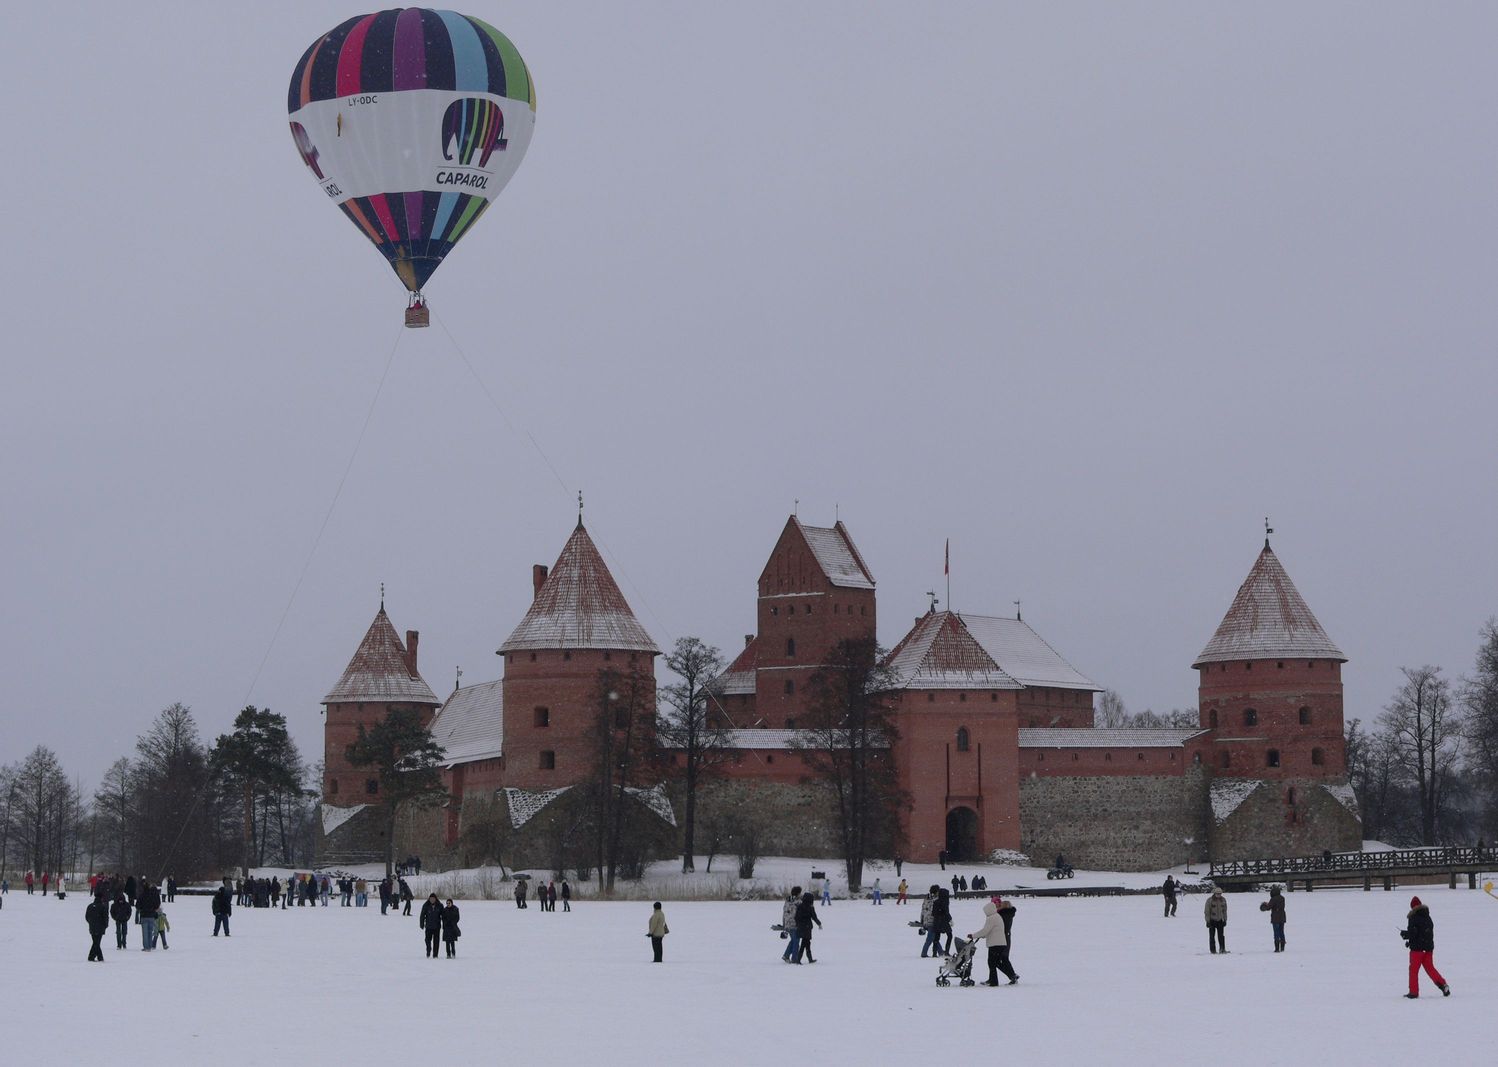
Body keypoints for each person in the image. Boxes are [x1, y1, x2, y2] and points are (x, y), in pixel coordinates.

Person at [1400, 897, 1450, 998]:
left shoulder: (1413, 917)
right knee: (1430, 968)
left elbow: (1413, 933)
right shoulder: (1428, 917)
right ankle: (1443, 985)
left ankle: (1413, 992)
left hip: (1417, 951)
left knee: (1413, 970)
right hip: (1428, 949)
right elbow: (1424, 934)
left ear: (1412, 907)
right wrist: (1411, 942)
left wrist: (1405, 935)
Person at [968, 900, 1017, 986]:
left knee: (992, 963)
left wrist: (973, 935)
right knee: (996, 963)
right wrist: (984, 935)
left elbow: (985, 930)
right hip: (1001, 943)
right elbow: (992, 930)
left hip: (995, 944)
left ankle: (994, 981)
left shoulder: (992, 918)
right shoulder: (997, 916)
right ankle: (1009, 976)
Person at [794, 892, 822, 963]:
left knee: (807, 943)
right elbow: (814, 917)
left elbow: (796, 917)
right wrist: (819, 924)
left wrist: (798, 924)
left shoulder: (799, 906)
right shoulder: (810, 907)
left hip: (801, 927)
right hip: (807, 927)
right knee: (804, 943)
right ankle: (799, 960)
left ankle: (809, 959)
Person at [1259, 885, 1287, 951]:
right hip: (1282, 917)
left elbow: (1268, 907)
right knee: (1281, 932)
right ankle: (1282, 947)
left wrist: (1265, 905)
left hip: (1275, 918)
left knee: (1276, 933)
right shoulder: (1282, 898)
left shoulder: (1273, 899)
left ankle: (1277, 948)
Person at [137, 881, 161, 950]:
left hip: (144, 915)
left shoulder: (141, 895)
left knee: (145, 933)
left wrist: (142, 908)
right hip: (151, 915)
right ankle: (150, 946)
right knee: (150, 932)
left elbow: (137, 905)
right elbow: (156, 904)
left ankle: (146, 947)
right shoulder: (152, 895)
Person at [781, 886, 802, 963]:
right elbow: (796, 914)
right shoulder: (797, 902)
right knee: (796, 941)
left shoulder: (787, 901)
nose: (801, 894)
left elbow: (784, 914)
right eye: (800, 893)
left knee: (793, 940)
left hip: (787, 924)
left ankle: (786, 956)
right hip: (794, 924)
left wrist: (784, 924)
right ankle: (794, 958)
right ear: (797, 893)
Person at [86, 893, 109, 962]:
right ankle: (93, 957)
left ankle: (98, 956)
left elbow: (87, 917)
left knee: (96, 942)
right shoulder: (103, 906)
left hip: (92, 927)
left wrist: (90, 922)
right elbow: (105, 917)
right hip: (100, 927)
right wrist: (105, 925)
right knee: (96, 943)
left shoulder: (90, 906)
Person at [419, 893, 443, 958]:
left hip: (437, 927)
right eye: (431, 899)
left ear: (435, 899)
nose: (432, 900)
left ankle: (435, 954)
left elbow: (443, 916)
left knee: (436, 941)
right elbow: (422, 915)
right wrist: (421, 924)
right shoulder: (426, 905)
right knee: (427, 940)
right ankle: (428, 950)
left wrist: (445, 924)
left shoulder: (440, 905)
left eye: (433, 899)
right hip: (428, 926)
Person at [1204, 887, 1227, 954]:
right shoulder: (1209, 900)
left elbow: (1225, 911)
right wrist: (1207, 921)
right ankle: (1213, 950)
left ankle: (1222, 949)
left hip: (1220, 920)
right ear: (1214, 893)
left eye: (1220, 894)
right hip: (1212, 920)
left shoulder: (1223, 900)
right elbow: (1207, 911)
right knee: (1212, 936)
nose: (1219, 895)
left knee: (1221, 936)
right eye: (1217, 894)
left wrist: (1225, 920)